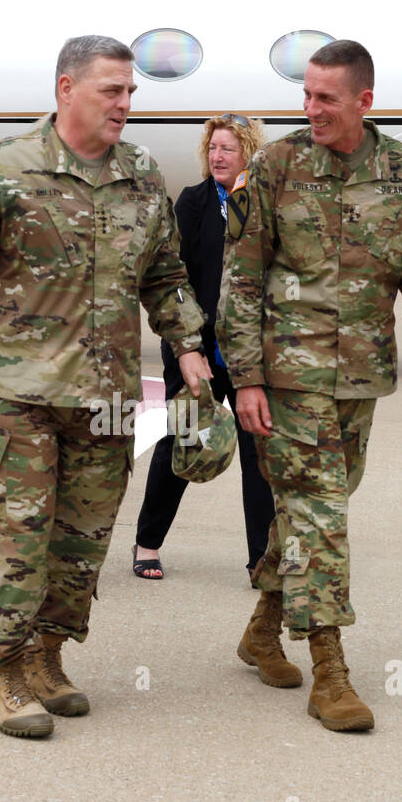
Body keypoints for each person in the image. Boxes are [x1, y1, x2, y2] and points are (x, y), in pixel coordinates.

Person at [0, 35, 210, 741]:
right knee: (17, 538)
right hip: (14, 392)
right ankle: (0, 674)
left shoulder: (140, 174)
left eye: (131, 92)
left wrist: (189, 345)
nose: (125, 105)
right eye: (112, 90)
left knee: (82, 541)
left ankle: (46, 656)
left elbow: (163, 274)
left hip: (103, 398)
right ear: (66, 89)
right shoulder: (5, 171)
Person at [218, 40, 402, 732]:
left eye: (326, 98)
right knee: (322, 513)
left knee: (307, 509)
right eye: (307, 94)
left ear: (364, 101)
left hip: (361, 375)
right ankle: (331, 669)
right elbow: (242, 278)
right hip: (290, 377)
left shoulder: (398, 167)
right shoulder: (278, 166)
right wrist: (248, 379)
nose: (311, 108)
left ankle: (263, 630)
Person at [133, 113, 277, 582]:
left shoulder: (265, 203)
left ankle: (261, 558)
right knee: (183, 440)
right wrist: (186, 345)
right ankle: (147, 543)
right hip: (196, 343)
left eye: (227, 149)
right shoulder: (192, 203)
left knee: (259, 450)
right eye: (212, 148)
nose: (217, 156)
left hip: (250, 349)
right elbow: (172, 277)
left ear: (248, 154)